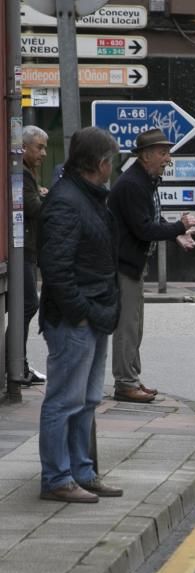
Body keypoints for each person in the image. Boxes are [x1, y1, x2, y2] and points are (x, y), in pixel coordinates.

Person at [37, 126, 125, 503]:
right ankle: (57, 477)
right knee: (64, 401)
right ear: (101, 164)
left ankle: (81, 471)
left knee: (86, 400)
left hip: (94, 312)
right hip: (76, 318)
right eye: (111, 162)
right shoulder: (66, 201)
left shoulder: (87, 197)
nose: (113, 169)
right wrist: (82, 313)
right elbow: (56, 268)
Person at [109, 129, 195, 404]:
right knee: (127, 327)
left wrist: (176, 235)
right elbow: (144, 228)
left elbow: (149, 222)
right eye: (163, 153)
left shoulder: (145, 180)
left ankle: (131, 379)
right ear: (145, 156)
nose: (168, 159)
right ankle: (125, 383)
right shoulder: (134, 184)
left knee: (135, 327)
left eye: (167, 152)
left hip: (133, 264)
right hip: (124, 266)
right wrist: (179, 226)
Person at [19, 125, 49, 384]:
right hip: (23, 250)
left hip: (27, 249)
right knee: (27, 305)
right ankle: (17, 364)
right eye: (40, 147)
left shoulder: (28, 173)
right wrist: (47, 199)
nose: (44, 153)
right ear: (24, 146)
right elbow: (33, 208)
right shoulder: (22, 173)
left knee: (25, 306)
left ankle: (18, 364)